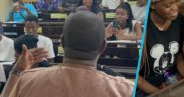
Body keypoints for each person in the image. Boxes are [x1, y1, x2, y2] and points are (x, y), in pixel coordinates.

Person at [1, 11, 134, 97]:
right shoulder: (125, 90)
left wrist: (16, 71)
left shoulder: (26, 80)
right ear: (103, 47)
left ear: (62, 42)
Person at [137, 0, 184, 96]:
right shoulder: (144, 28)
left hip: (171, 80)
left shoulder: (178, 20)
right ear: (153, 4)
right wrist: (161, 93)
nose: (175, 7)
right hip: (148, 87)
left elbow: (178, 57)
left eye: (177, 0)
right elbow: (139, 79)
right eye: (168, 5)